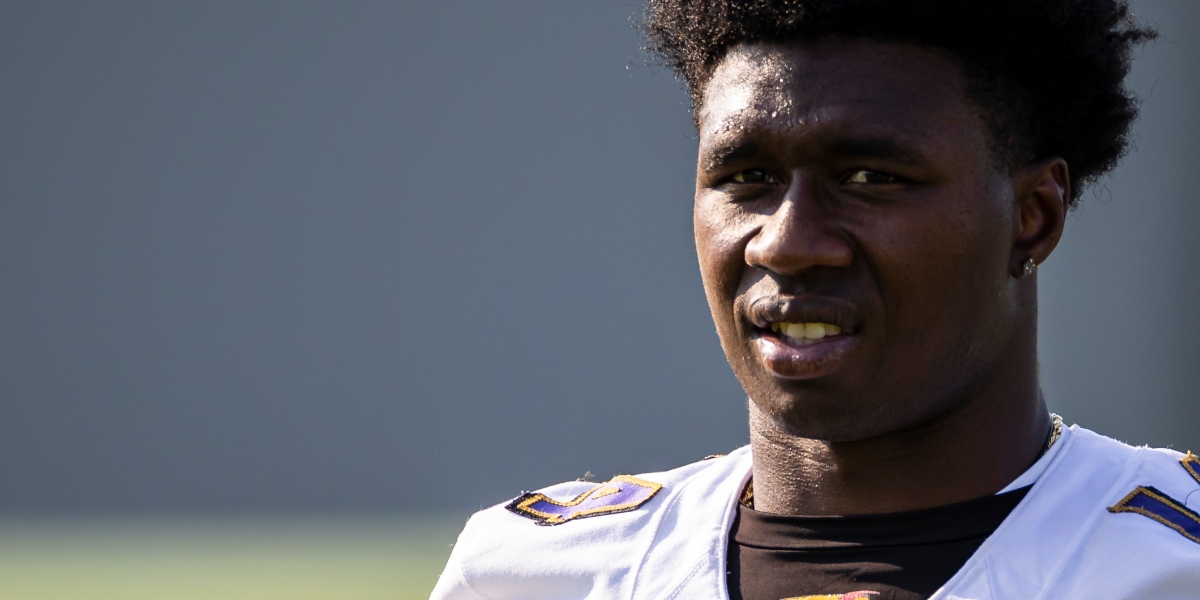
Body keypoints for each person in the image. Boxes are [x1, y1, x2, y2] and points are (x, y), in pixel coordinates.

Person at [430, 1, 1200, 598]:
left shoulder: (1170, 567)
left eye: (870, 178)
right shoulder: (534, 575)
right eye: (745, 178)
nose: (786, 243)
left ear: (1034, 215)